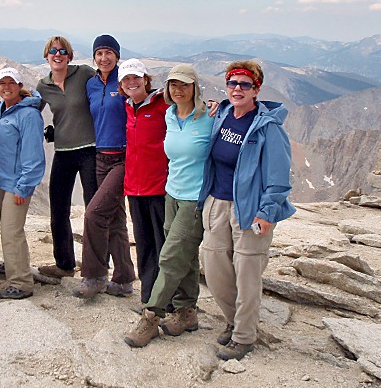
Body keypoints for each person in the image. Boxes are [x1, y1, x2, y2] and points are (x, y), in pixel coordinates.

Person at [198, 60, 295, 361]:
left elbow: (279, 178)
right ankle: (233, 319)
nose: (237, 89)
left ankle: (243, 336)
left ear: (257, 89)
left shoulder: (268, 128)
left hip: (250, 209)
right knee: (214, 268)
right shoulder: (223, 114)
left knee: (247, 274)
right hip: (217, 202)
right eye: (232, 83)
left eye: (245, 84)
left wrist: (267, 212)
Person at [124, 64, 215, 348]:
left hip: (195, 198)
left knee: (171, 255)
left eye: (184, 85)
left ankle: (151, 317)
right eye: (174, 85)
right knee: (184, 256)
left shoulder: (210, 117)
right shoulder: (170, 115)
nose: (178, 90)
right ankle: (187, 312)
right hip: (171, 193)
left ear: (195, 87)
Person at [73, 35, 136, 299]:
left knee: (94, 214)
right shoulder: (90, 84)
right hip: (100, 156)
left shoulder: (124, 82)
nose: (104, 58)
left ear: (117, 56)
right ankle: (123, 280)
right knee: (116, 219)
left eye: (109, 52)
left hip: (123, 158)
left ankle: (94, 275)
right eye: (99, 53)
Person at [36, 36, 97, 279]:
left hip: (90, 150)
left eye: (63, 51)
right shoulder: (43, 86)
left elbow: (107, 87)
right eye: (53, 51)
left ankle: (96, 268)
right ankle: (64, 264)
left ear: (69, 56)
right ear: (46, 55)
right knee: (58, 209)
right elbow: (30, 110)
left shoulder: (83, 73)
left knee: (93, 210)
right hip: (63, 151)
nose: (57, 54)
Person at [118, 59, 169, 305]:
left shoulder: (162, 104)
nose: (131, 82)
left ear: (146, 79)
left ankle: (167, 299)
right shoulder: (128, 107)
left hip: (159, 187)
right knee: (145, 245)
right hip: (135, 188)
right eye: (126, 79)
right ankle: (148, 297)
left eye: (136, 77)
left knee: (163, 246)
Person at [0, 68, 45, 299]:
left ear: (19, 85)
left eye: (10, 83)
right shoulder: (1, 109)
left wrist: (24, 186)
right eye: (1, 83)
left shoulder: (28, 115)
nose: (6, 87)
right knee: (9, 231)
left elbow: (33, 155)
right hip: (2, 181)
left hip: (16, 184)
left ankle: (21, 283)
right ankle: (16, 268)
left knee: (11, 232)